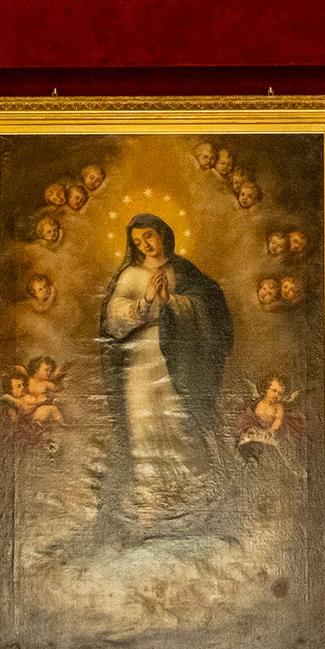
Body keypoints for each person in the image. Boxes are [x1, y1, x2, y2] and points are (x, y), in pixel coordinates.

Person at [97, 213, 233, 532]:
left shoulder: (182, 271)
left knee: (179, 423)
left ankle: (190, 497)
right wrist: (145, 301)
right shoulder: (131, 275)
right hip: (140, 361)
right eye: (137, 241)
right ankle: (149, 502)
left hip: (179, 360)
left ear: (161, 233)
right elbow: (113, 322)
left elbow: (211, 307)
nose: (145, 244)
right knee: (144, 426)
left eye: (148, 236)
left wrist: (172, 300)